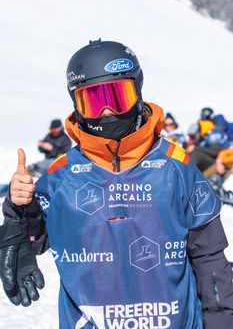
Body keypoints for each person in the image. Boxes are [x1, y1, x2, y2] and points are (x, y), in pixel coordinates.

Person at [0, 39, 233, 329]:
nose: (107, 111)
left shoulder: (176, 166)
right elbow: (36, 239)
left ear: (137, 91)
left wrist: (222, 320)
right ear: (77, 104)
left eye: (117, 97)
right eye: (94, 102)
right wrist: (19, 209)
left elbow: (209, 257)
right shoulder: (62, 176)